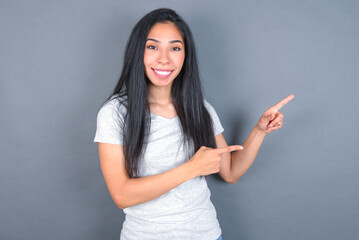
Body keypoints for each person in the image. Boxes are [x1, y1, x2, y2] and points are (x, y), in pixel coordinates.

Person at [94, 8, 294, 240]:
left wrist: (260, 130)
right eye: (152, 47)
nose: (164, 58)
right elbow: (122, 195)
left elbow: (231, 173)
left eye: (175, 48)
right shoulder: (115, 113)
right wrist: (192, 168)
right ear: (137, 52)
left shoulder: (200, 108)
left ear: (185, 56)